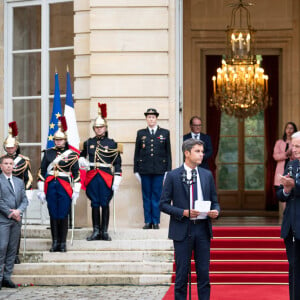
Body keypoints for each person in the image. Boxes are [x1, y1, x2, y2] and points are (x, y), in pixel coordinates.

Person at [160, 138, 220, 300]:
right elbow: (163, 205)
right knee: (181, 275)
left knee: (204, 275)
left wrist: (215, 211)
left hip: (202, 229)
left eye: (202, 151)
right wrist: (184, 212)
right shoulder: (173, 176)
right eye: (197, 151)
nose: (202, 154)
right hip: (182, 229)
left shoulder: (207, 175)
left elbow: (215, 201)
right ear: (187, 153)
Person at [79, 103, 122, 241]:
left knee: (104, 203)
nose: (99, 129)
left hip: (105, 177)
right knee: (94, 204)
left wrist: (116, 178)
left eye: (101, 127)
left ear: (105, 128)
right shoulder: (88, 143)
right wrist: (81, 160)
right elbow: (81, 155)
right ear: (94, 129)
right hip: (92, 176)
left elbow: (117, 162)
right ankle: (96, 230)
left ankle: (104, 231)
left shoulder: (112, 143)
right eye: (97, 127)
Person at [37, 117, 81, 252]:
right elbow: (42, 171)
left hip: (65, 186)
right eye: (56, 140)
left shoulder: (72, 155)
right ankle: (54, 242)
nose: (58, 142)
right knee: (53, 214)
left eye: (60, 139)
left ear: (65, 140)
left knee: (63, 214)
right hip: (51, 186)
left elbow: (76, 174)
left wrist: (76, 191)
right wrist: (41, 189)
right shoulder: (48, 152)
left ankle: (63, 243)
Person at [134, 108, 172, 229]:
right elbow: (137, 152)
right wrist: (136, 170)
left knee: (157, 196)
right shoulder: (141, 133)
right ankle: (147, 221)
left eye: (153, 117)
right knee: (146, 196)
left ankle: (156, 221)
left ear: (156, 118)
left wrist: (168, 170)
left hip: (159, 170)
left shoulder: (164, 133)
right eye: (149, 117)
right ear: (146, 119)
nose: (151, 119)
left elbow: (168, 153)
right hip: (144, 170)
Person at [1, 121, 33, 264]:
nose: (10, 149)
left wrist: (27, 192)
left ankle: (15, 254)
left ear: (16, 146)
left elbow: (28, 177)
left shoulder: (23, 161)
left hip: (19, 194)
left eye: (12, 146)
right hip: (5, 196)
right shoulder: (2, 161)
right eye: (8, 147)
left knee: (16, 227)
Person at [277, 131, 300, 300]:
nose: (294, 149)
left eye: (298, 146)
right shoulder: (291, 165)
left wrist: (295, 185)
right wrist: (286, 189)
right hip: (291, 227)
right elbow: (280, 193)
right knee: (294, 269)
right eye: (293, 145)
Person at [0, 155, 28, 289]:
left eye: (11, 163)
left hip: (16, 221)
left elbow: (25, 200)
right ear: (1, 166)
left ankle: (6, 277)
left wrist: (18, 211)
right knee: (2, 248)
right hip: (3, 220)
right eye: (6, 163)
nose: (9, 166)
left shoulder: (19, 181)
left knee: (12, 250)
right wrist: (11, 213)